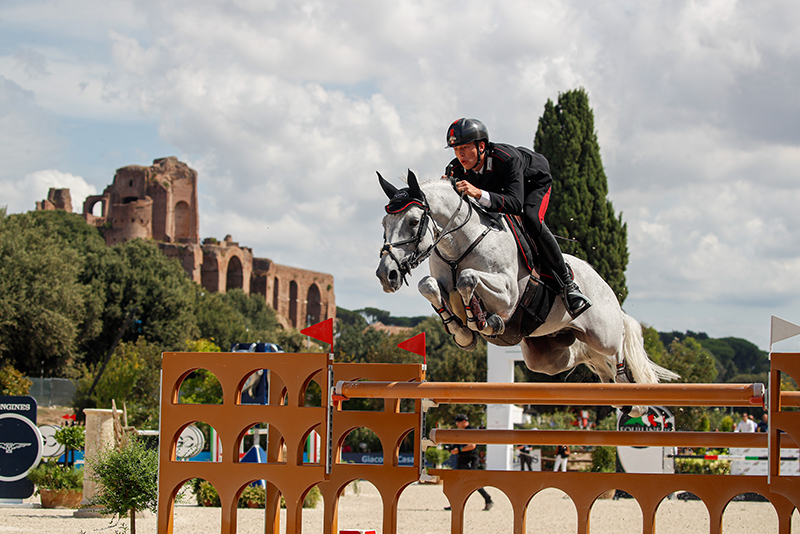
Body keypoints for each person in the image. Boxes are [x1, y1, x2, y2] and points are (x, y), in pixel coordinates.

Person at [444, 118, 592, 319]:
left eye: (465, 148)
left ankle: (568, 285)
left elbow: (515, 203)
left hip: (532, 185)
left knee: (531, 219)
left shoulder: (507, 158)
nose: (459, 154)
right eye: (455, 149)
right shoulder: (455, 170)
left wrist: (478, 193)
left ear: (481, 146)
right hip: (497, 190)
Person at [445, 414, 494, 511]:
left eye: (458, 422)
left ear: (463, 421)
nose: (457, 425)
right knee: (459, 482)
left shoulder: (470, 430)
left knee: (473, 482)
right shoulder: (462, 432)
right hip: (463, 460)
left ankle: (488, 499)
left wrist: (458, 450)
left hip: (471, 459)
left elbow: (472, 446)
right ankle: (455, 503)